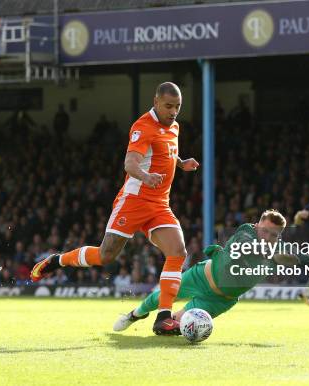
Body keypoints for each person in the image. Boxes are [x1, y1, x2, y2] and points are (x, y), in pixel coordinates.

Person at [31, 82, 200, 335]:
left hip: (159, 204)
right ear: (155, 102)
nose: (173, 111)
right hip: (133, 201)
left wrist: (180, 162)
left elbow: (164, 152)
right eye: (168, 106)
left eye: (177, 107)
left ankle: (164, 317)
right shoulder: (142, 126)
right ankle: (59, 260)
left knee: (177, 251)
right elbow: (130, 163)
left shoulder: (173, 126)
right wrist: (145, 176)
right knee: (106, 255)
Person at [113, 209, 309, 333]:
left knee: (177, 326)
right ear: (258, 223)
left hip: (222, 301)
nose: (269, 237)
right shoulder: (245, 231)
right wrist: (272, 254)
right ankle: (134, 315)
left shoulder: (281, 248)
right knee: (158, 299)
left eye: (275, 235)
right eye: (266, 231)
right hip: (202, 278)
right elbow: (244, 247)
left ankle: (172, 326)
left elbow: (305, 258)